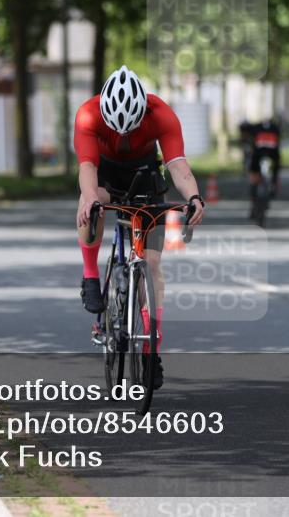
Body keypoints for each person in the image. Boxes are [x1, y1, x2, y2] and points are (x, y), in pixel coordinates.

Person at [73, 65, 206, 388]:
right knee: (92, 203)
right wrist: (90, 197)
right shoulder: (88, 115)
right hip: (104, 171)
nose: (123, 135)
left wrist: (195, 197)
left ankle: (151, 348)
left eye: (130, 129)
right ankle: (91, 274)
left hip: (144, 172)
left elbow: (177, 164)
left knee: (153, 262)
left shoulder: (161, 113)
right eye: (116, 128)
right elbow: (88, 167)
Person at [240, 118, 281, 214]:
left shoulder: (255, 128)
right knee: (275, 169)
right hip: (272, 155)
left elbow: (245, 132)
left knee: (253, 178)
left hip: (258, 155)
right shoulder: (275, 128)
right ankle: (273, 185)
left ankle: (254, 202)